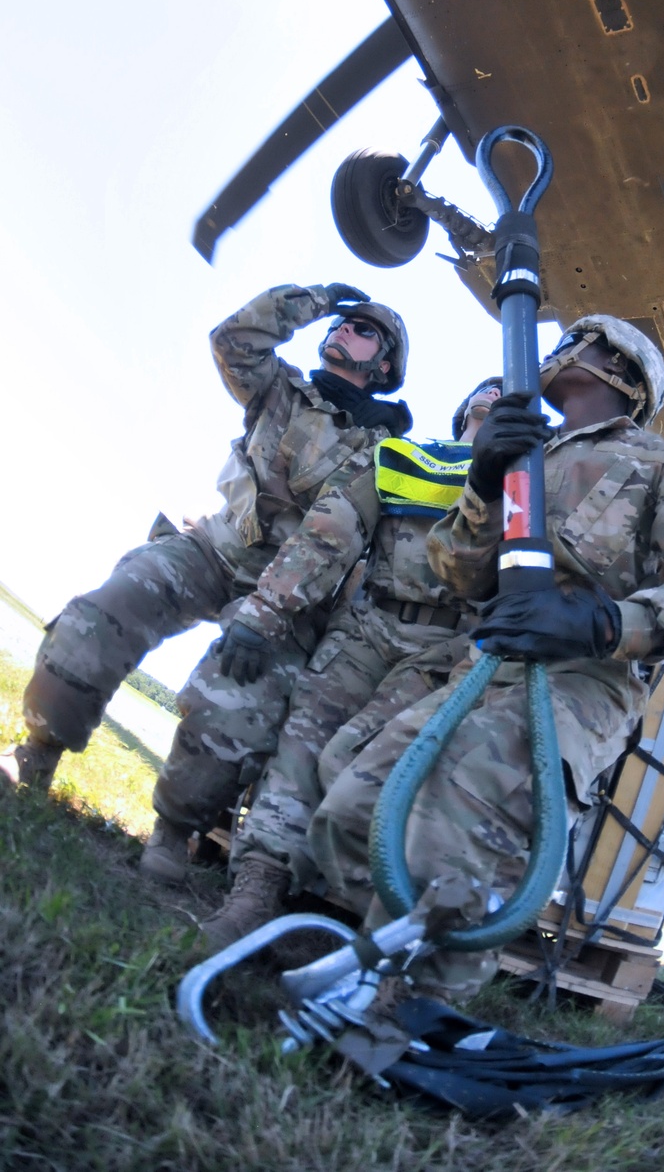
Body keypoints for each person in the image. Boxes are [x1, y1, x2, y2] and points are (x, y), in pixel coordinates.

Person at [309, 315, 664, 1006]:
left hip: (581, 677)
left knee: (460, 817)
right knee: (352, 807)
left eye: (581, 339)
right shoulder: (526, 452)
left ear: (619, 366)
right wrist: (485, 481)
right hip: (489, 661)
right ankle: (383, 961)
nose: (557, 349)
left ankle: (407, 1015)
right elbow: (459, 575)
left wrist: (607, 620)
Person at [1, 284, 410, 804]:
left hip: (288, 598)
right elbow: (235, 339)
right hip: (215, 549)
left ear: (385, 365)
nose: (344, 329)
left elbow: (329, 539)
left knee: (236, 706)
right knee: (105, 612)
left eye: (364, 330)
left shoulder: (383, 450)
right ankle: (37, 753)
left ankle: (176, 834)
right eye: (342, 324)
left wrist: (265, 616)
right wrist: (316, 300)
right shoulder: (281, 389)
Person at [195, 378, 503, 947]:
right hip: (365, 629)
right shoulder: (401, 458)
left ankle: (348, 919)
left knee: (360, 764)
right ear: (464, 409)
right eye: (487, 390)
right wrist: (265, 611)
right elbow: (328, 534)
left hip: (449, 650)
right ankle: (256, 891)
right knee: (298, 748)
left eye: (508, 395)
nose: (496, 395)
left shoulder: (534, 484)